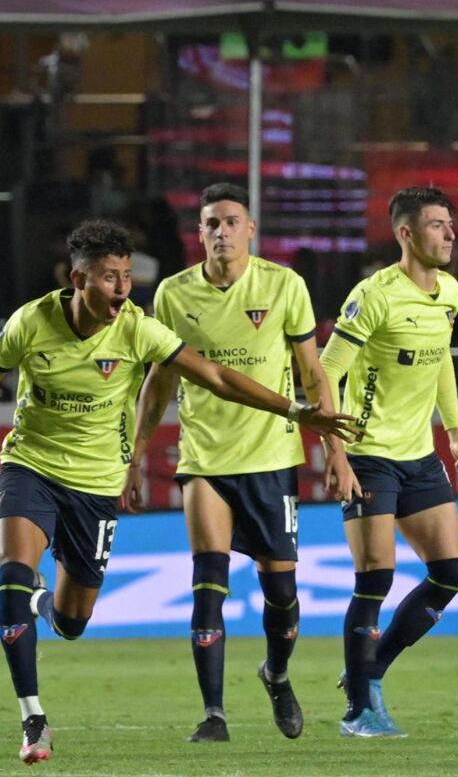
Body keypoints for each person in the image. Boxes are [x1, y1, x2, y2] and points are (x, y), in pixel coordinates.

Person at [0, 220, 358, 766]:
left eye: (126, 277)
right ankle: (33, 719)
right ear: (78, 279)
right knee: (11, 578)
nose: (122, 289)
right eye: (109, 278)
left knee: (71, 621)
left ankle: (45, 602)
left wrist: (295, 409)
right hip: (31, 468)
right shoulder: (33, 321)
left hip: (94, 487)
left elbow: (213, 375)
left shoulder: (138, 329)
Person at [133, 184, 340, 743]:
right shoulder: (174, 295)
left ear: (251, 230)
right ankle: (214, 714)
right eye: (210, 224)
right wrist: (134, 457)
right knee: (208, 582)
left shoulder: (283, 285)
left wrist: (335, 451)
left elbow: (312, 372)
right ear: (198, 234)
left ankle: (276, 672)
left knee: (283, 595)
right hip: (204, 458)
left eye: (230, 221)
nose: (220, 231)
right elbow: (159, 382)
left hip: (272, 456)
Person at [320, 186, 458, 738]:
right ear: (406, 234)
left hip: (419, 455)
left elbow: (440, 364)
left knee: (450, 573)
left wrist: (456, 437)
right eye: (438, 224)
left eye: (451, 223)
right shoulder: (374, 297)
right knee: (375, 578)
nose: (451, 233)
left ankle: (367, 674)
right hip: (368, 457)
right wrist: (335, 454)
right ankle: (359, 711)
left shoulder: (450, 293)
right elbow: (325, 373)